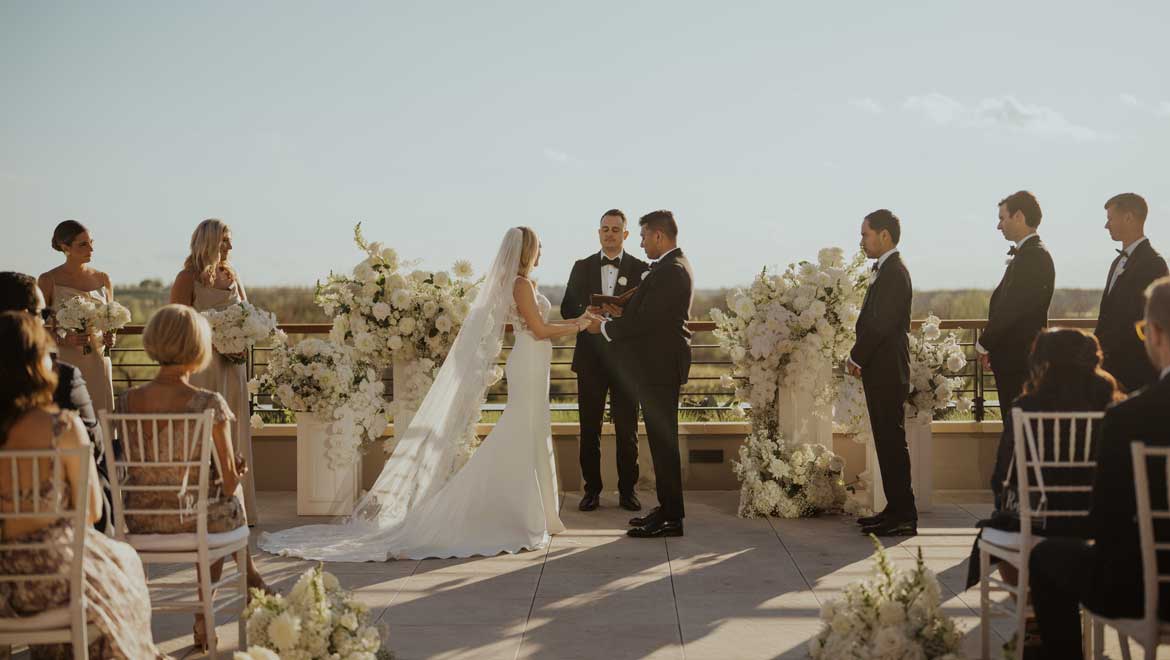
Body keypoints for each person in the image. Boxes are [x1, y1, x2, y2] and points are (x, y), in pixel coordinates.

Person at [259, 227, 595, 561]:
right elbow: (538, 329)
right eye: (538, 246)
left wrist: (577, 321)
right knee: (520, 431)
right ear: (527, 251)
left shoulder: (525, 283)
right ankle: (517, 512)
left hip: (537, 361)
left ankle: (542, 512)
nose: (542, 250)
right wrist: (579, 325)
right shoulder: (520, 284)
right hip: (529, 359)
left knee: (534, 431)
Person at [0, 312, 165, 659]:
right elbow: (91, 511)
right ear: (35, 363)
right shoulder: (61, 426)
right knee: (125, 564)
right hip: (49, 582)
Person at [1029, 277, 1170, 659]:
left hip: (1144, 588)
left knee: (1045, 559)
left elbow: (1106, 520)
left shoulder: (1128, 417)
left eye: (1144, 330)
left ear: (1155, 334)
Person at [117, 305, 269, 650]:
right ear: (198, 346)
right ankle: (208, 610)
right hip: (191, 520)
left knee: (213, 502)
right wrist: (237, 471)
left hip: (139, 520)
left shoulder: (127, 400)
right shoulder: (208, 402)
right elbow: (230, 485)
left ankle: (240, 589)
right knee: (223, 502)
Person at [962, 329, 1121, 655]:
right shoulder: (1114, 409)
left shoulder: (1026, 408)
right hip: (1097, 525)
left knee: (999, 525)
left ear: (1041, 363)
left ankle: (1034, 614)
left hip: (1041, 523)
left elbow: (1003, 479)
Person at [588, 210, 694, 539]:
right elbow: (648, 313)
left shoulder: (672, 271)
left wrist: (604, 327)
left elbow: (649, 323)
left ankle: (672, 518)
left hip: (661, 367)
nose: (644, 242)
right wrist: (623, 312)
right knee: (661, 444)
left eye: (645, 236)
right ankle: (666, 509)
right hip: (655, 366)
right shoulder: (667, 268)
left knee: (664, 444)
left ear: (659, 236)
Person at [0, 271, 113, 534]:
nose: (46, 321)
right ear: (24, 317)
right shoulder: (64, 380)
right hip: (59, 533)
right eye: (42, 314)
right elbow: (94, 449)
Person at [170, 219, 259, 524]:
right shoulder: (187, 278)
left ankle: (237, 507)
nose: (230, 247)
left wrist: (242, 341)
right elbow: (178, 323)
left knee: (233, 427)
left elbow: (248, 314)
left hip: (234, 364)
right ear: (208, 242)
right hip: (203, 365)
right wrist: (214, 341)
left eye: (230, 241)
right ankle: (200, 508)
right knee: (204, 432)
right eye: (224, 241)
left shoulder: (232, 275)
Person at [561, 209, 649, 512]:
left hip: (627, 361)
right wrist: (588, 310)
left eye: (615, 229)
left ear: (625, 235)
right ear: (598, 232)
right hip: (590, 359)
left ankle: (628, 491)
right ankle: (592, 490)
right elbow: (565, 308)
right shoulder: (581, 266)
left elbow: (646, 315)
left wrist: (624, 315)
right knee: (590, 428)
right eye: (604, 229)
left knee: (627, 429)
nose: (609, 234)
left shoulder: (641, 268)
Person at [978, 191, 1055, 506]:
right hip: (1011, 358)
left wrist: (984, 342)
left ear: (1020, 217)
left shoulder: (1034, 257)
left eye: (1002, 218)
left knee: (1019, 430)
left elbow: (1012, 309)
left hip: (1020, 360)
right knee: (1015, 428)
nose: (999, 226)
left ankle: (1017, 503)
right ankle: (1013, 501)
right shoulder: (1028, 256)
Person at [848, 209, 915, 537]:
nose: (862, 241)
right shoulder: (886, 270)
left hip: (888, 369)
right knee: (886, 442)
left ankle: (904, 514)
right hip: (882, 369)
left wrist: (856, 357)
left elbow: (881, 323)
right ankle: (895, 509)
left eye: (865, 234)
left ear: (884, 235)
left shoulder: (894, 272)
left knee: (892, 441)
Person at [37, 220, 116, 420]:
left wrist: (110, 336)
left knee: (102, 418)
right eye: (83, 244)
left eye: (91, 242)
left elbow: (110, 318)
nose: (91, 248)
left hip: (99, 360)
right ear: (65, 248)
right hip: (66, 360)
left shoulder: (103, 278)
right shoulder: (48, 280)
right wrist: (64, 341)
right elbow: (37, 327)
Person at [1095, 193, 1168, 393]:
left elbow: (1147, 316)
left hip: (1135, 370)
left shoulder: (1154, 263)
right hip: (1110, 367)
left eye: (1110, 218)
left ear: (1128, 218)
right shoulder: (1116, 263)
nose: (1106, 225)